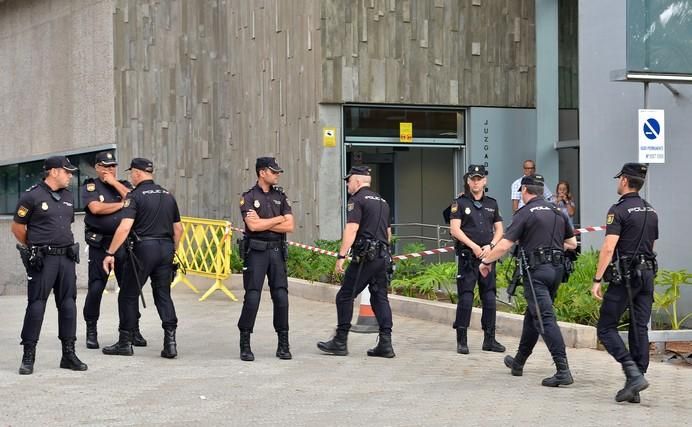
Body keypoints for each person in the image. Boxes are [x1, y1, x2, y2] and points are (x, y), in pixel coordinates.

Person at [479, 174, 577, 387]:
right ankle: (519, 362)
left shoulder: (525, 213)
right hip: (557, 271)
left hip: (537, 273)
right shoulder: (557, 211)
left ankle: (563, 370)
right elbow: (572, 243)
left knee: (544, 318)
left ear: (524, 191)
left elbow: (504, 245)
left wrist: (486, 261)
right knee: (533, 315)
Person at [12, 156, 87, 375]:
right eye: (67, 171)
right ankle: (28, 355)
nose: (70, 175)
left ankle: (68, 354)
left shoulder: (67, 196)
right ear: (54, 172)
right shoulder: (32, 195)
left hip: (66, 259)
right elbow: (17, 227)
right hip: (43, 260)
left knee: (68, 305)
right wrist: (34, 247)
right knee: (36, 305)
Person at [101, 158, 183, 359]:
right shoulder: (167, 195)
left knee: (128, 294)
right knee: (163, 294)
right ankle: (170, 343)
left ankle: (124, 342)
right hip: (165, 248)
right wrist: (173, 251)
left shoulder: (134, 196)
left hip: (143, 249)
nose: (131, 176)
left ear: (137, 173)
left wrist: (110, 252)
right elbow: (178, 229)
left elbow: (125, 227)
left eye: (132, 173)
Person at [591, 163, 658, 404]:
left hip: (626, 276)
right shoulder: (651, 210)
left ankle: (632, 373)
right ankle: (636, 384)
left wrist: (597, 279)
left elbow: (609, 247)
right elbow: (652, 247)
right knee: (639, 327)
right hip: (648, 274)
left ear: (624, 181)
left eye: (619, 178)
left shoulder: (618, 210)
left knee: (606, 328)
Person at [317, 166, 395, 358]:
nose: (347, 184)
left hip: (365, 258)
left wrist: (341, 256)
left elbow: (352, 229)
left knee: (344, 296)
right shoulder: (383, 202)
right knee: (379, 298)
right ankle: (386, 343)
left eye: (349, 180)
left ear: (358, 182)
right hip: (383, 257)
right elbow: (388, 234)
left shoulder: (357, 200)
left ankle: (340, 341)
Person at [81, 151, 147, 349]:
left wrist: (115, 184)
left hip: (123, 244)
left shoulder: (124, 186)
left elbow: (134, 199)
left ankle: (132, 329)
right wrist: (122, 205)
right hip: (100, 244)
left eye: (113, 166)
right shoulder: (90, 185)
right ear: (97, 167)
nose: (110, 169)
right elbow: (96, 209)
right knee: (96, 288)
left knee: (128, 289)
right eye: (106, 166)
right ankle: (91, 330)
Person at [237, 157, 294, 361]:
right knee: (252, 297)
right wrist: (279, 218)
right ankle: (245, 343)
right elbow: (253, 227)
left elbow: (290, 226)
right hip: (257, 252)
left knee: (281, 297)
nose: (277, 174)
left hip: (277, 251)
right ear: (262, 173)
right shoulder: (249, 196)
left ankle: (283, 344)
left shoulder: (281, 196)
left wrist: (266, 222)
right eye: (274, 171)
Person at [449, 165, 505, 354]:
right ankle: (462, 340)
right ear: (468, 181)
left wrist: (491, 245)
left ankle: (489, 339)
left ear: (484, 181)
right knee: (466, 297)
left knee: (489, 297)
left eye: (479, 179)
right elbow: (455, 229)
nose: (476, 182)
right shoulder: (460, 203)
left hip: (487, 258)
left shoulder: (492, 203)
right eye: (473, 179)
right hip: (468, 257)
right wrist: (473, 246)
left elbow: (500, 230)